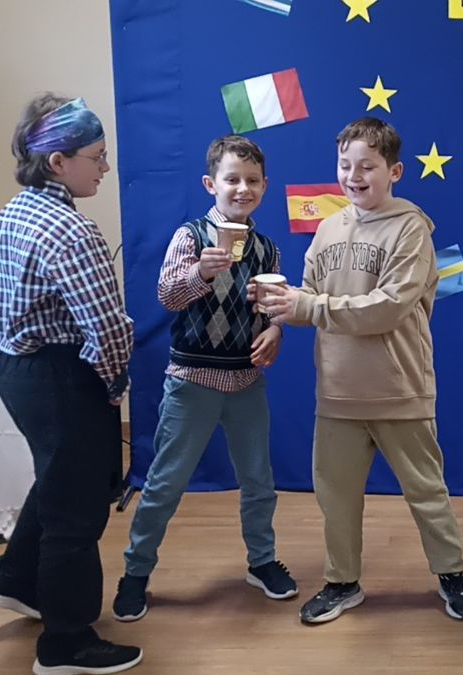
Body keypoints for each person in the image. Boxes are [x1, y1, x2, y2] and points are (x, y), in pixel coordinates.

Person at [256, 117, 463, 624]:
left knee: (426, 491)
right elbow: (308, 294)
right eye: (345, 165)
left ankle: (452, 573)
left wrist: (307, 307)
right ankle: (342, 581)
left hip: (399, 388)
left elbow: (388, 307)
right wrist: (278, 310)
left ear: (394, 171)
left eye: (367, 167)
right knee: (335, 496)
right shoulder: (328, 227)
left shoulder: (412, 228)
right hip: (338, 391)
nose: (353, 176)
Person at [0, 94, 142, 674]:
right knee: (78, 508)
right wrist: (114, 383)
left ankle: (17, 579)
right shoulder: (71, 230)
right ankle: (66, 643)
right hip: (60, 374)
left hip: (16, 369)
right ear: (57, 162)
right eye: (97, 156)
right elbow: (107, 327)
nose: (105, 167)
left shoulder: (11, 213)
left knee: (57, 479)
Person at [112, 135, 296, 623]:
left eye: (252, 180)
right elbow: (167, 298)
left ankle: (261, 560)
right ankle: (136, 572)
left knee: (259, 481)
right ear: (210, 184)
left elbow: (270, 309)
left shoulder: (267, 249)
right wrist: (201, 273)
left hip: (246, 381)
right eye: (232, 179)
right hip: (192, 381)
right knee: (164, 483)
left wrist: (276, 329)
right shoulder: (190, 236)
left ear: (265, 186)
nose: (242, 188)